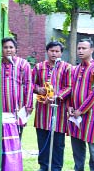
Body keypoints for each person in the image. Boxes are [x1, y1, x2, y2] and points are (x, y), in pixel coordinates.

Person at [32, 41, 72, 171]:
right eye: (51, 51)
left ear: (61, 53)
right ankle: (43, 167)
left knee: (58, 144)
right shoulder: (39, 67)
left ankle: (56, 168)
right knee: (43, 141)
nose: (54, 53)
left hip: (59, 113)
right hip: (42, 113)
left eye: (57, 51)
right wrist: (39, 89)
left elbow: (69, 86)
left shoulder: (66, 67)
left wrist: (57, 96)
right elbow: (30, 84)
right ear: (47, 51)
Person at [0, 37, 33, 138]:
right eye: (5, 47)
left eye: (11, 47)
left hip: (18, 108)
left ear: (16, 49)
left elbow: (29, 85)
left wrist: (29, 104)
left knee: (16, 137)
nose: (8, 50)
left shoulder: (24, 64)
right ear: (1, 50)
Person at [68, 38, 94, 171]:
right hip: (75, 116)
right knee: (77, 149)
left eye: (84, 48)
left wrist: (81, 110)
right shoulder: (76, 69)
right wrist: (70, 107)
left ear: (92, 50)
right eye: (79, 48)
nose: (80, 51)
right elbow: (72, 89)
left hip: (91, 116)